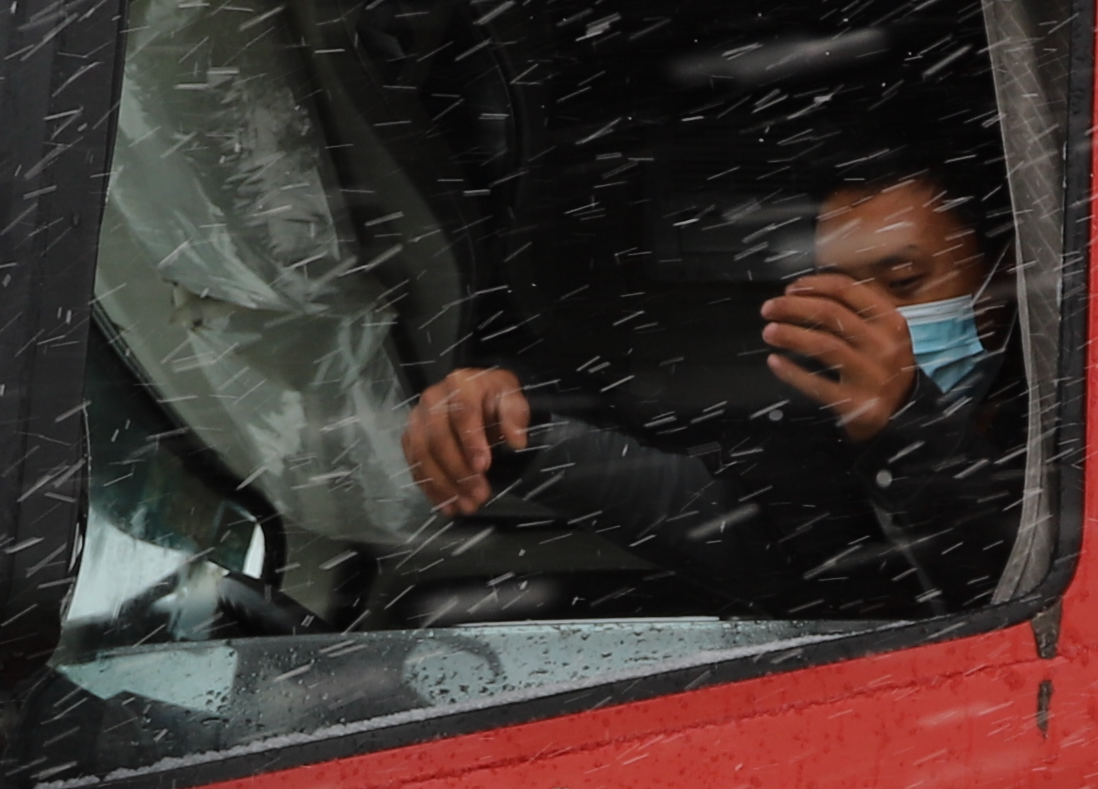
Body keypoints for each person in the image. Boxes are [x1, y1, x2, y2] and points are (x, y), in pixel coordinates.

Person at [395, 159, 1014, 617]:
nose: (865, 321)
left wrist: (907, 423)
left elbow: (1009, 589)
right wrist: (503, 410)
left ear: (998, 281)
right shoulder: (803, 434)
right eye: (840, 292)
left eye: (904, 281)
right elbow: (681, 490)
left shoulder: (1080, 420)